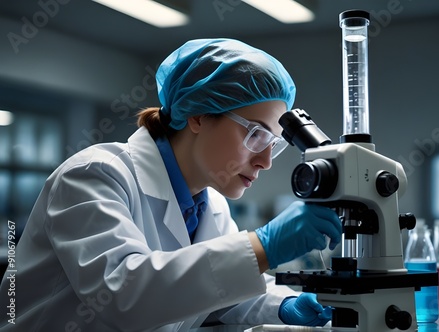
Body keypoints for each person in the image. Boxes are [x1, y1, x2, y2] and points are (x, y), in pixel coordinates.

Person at [0, 38, 342, 331]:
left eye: (275, 144)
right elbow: (124, 294)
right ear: (198, 115)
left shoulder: (211, 204)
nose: (265, 161)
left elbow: (212, 295)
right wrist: (264, 247)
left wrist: (283, 306)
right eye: (255, 135)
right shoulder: (94, 175)